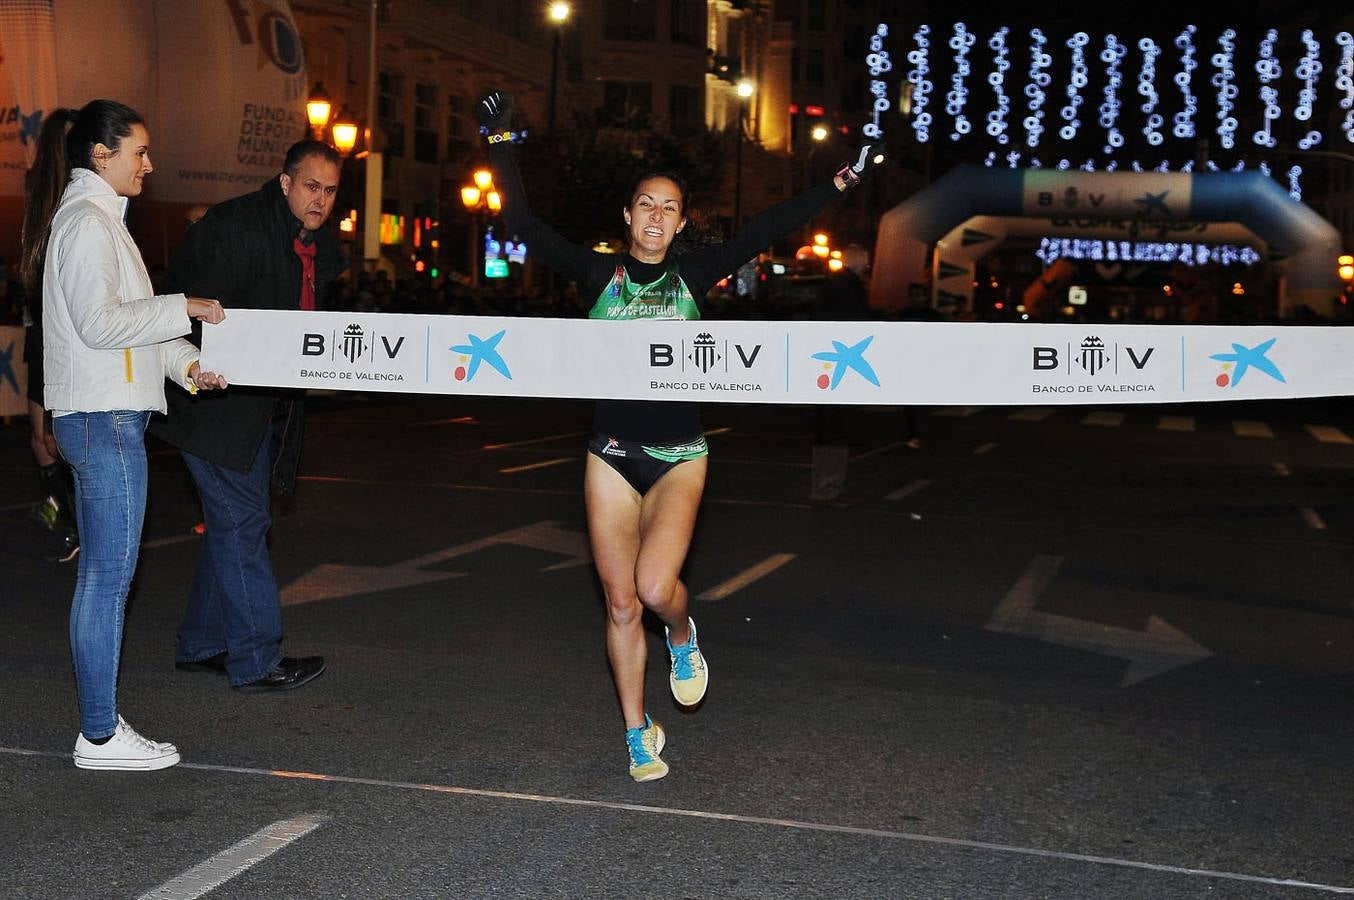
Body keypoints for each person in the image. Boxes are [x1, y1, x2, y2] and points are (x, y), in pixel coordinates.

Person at [479, 90, 881, 781]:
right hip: (609, 454)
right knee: (618, 599)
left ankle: (685, 635)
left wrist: (839, 182)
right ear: (627, 216)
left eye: (670, 206)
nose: (657, 215)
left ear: (680, 221)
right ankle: (638, 732)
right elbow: (520, 219)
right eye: (647, 204)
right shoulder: (593, 273)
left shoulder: (694, 274)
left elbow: (771, 225)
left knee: (658, 588)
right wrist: (500, 142)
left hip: (677, 458)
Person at [20, 100, 227, 770]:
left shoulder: (103, 221)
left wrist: (190, 364)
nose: (150, 164)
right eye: (139, 151)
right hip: (103, 419)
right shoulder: (86, 222)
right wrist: (183, 305)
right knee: (108, 580)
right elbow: (101, 325)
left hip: (108, 414)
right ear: (99, 155)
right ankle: (100, 735)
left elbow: (135, 329)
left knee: (107, 578)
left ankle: (101, 728)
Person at [148, 140, 343, 692]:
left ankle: (203, 642)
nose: (320, 200)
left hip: (257, 409)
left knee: (237, 524)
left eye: (330, 191)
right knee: (242, 524)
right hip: (210, 404)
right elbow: (185, 308)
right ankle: (256, 658)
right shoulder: (237, 229)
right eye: (311, 186)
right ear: (285, 183)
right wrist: (194, 371)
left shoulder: (312, 244)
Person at [809, 244, 872, 503]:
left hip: (829, 364)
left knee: (829, 428)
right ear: (858, 263)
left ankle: (826, 486)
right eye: (867, 262)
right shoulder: (848, 287)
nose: (868, 267)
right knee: (836, 427)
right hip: (840, 365)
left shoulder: (836, 285)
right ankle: (828, 487)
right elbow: (854, 326)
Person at [897, 282, 943, 449]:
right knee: (910, 402)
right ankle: (913, 434)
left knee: (925, 401)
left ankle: (923, 432)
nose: (915, 298)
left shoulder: (933, 316)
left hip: (927, 361)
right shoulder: (903, 314)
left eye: (918, 295)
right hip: (909, 361)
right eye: (913, 295)